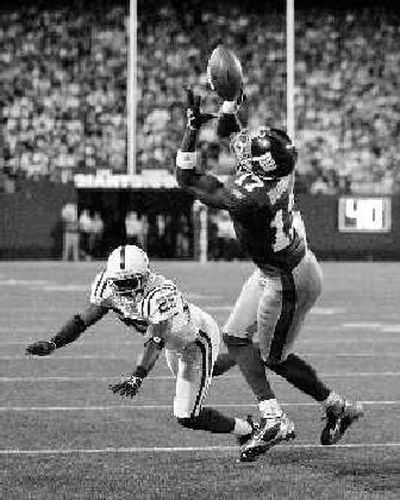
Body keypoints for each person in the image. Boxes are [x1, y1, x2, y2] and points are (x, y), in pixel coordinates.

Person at [175, 89, 363, 462]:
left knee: (275, 357)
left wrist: (192, 129)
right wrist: (228, 101)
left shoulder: (248, 199)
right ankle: (333, 409)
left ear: (258, 166)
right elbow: (232, 131)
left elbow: (187, 178)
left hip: (288, 279)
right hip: (276, 268)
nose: (243, 149)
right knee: (235, 337)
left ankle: (279, 417)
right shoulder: (280, 168)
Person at [25, 244, 259, 458]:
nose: (125, 289)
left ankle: (248, 429)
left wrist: (138, 376)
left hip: (196, 340)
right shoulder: (106, 285)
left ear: (146, 275)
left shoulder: (161, 293)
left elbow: (155, 339)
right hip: (174, 342)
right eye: (120, 283)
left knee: (188, 415)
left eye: (131, 282)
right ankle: (247, 353)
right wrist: (54, 342)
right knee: (210, 370)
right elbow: (83, 320)